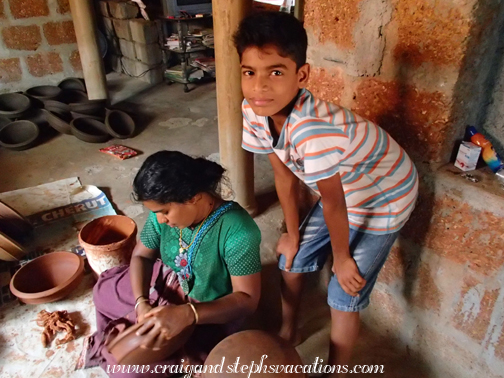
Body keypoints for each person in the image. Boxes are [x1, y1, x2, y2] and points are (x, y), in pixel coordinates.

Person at [234, 11, 419, 376]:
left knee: (343, 293)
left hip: (386, 194)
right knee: (291, 256)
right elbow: (283, 176)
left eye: (275, 72)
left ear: (300, 75)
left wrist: (343, 258)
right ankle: (288, 330)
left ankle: (337, 370)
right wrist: (291, 232)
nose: (259, 88)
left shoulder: (312, 130)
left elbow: (333, 202)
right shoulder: (254, 111)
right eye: (249, 72)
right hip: (347, 185)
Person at [83, 151, 262, 377]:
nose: (160, 219)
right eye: (156, 212)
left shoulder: (238, 230)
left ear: (193, 197)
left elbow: (247, 300)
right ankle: (130, 330)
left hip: (207, 307)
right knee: (103, 289)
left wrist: (189, 314)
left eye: (165, 212)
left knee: (132, 371)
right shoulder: (162, 214)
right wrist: (141, 302)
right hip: (167, 281)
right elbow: (141, 256)